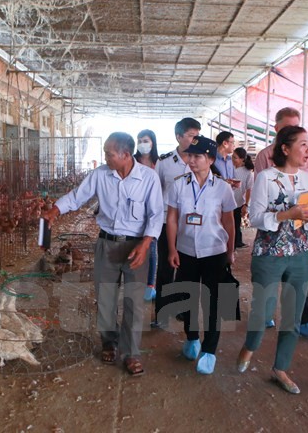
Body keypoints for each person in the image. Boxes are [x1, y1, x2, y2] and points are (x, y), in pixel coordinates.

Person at [41, 132, 163, 377]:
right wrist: (56, 210)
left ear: (126, 155)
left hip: (136, 247)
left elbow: (156, 214)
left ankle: (131, 353)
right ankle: (109, 341)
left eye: (109, 153)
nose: (105, 157)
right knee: (105, 299)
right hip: (107, 244)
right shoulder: (100, 175)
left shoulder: (149, 178)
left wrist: (147, 243)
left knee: (133, 302)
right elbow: (77, 196)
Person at [236, 126, 308, 394]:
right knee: (263, 312)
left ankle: (280, 368)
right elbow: (256, 217)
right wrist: (287, 214)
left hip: (300, 254)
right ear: (285, 148)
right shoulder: (265, 177)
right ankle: (250, 346)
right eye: (303, 144)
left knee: (292, 317)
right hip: (269, 254)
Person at [166, 135, 236, 374]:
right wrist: (172, 248)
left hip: (214, 251)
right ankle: (192, 337)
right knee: (188, 298)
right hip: (185, 251)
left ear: (210, 159)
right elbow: (172, 217)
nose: (191, 160)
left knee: (213, 301)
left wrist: (231, 251)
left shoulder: (223, 188)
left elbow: (229, 221)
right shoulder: (178, 184)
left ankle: (209, 349)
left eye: (197, 157)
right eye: (190, 156)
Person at [254, 107, 308, 335]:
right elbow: (261, 204)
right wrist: (285, 214)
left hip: (299, 241)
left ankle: (303, 320)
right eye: (288, 128)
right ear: (278, 132)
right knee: (267, 294)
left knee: (298, 293)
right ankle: (265, 319)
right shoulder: (265, 159)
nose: (307, 150)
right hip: (272, 241)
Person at [151, 117, 200, 329]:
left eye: (198, 135)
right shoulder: (164, 162)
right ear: (178, 137)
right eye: (191, 135)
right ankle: (161, 314)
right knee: (165, 268)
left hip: (191, 224)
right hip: (166, 221)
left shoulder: (200, 160)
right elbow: (155, 192)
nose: (195, 139)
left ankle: (181, 308)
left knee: (187, 268)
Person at [254, 107, 308, 184]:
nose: (293, 132)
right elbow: (259, 187)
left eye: (296, 127)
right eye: (287, 128)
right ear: (276, 128)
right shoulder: (265, 155)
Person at [135, 129, 160, 302]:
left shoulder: (159, 163)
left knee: (151, 246)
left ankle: (150, 284)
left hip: (154, 210)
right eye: (140, 140)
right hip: (134, 210)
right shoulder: (132, 161)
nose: (142, 143)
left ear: (153, 142)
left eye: (146, 140)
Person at [232, 147, 254, 249]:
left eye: (235, 157)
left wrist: (246, 205)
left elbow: (249, 189)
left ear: (242, 159)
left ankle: (237, 242)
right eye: (232, 157)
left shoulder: (248, 172)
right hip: (227, 201)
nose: (232, 159)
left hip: (238, 202)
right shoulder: (229, 167)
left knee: (236, 223)